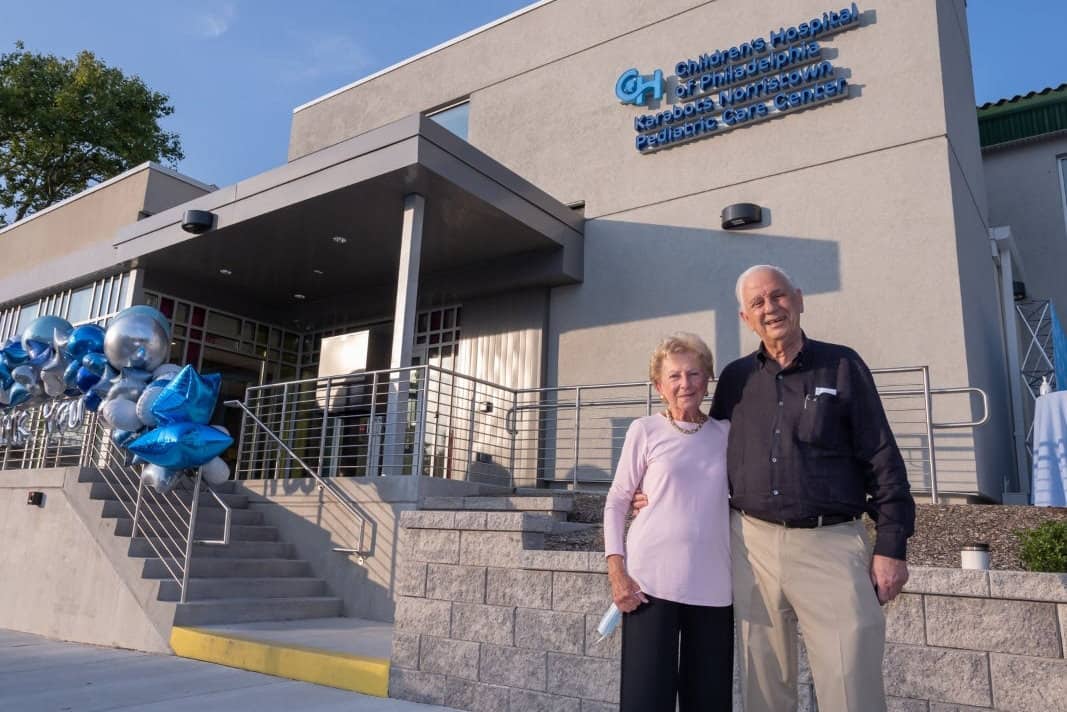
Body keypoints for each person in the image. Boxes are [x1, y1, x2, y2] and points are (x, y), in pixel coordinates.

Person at [635, 265, 915, 712]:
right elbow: (706, 447)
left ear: (799, 299)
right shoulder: (735, 379)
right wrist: (655, 490)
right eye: (758, 303)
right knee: (763, 687)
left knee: (851, 683)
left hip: (832, 545)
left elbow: (882, 457)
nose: (771, 308)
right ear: (745, 318)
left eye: (778, 296)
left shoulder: (842, 365)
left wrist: (891, 545)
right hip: (753, 548)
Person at [603, 333, 733, 712]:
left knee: (708, 700)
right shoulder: (644, 430)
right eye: (674, 376)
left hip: (714, 585)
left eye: (694, 374)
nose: (685, 384)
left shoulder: (725, 433)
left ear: (707, 379)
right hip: (649, 584)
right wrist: (617, 571)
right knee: (646, 699)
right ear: (659, 385)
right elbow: (616, 501)